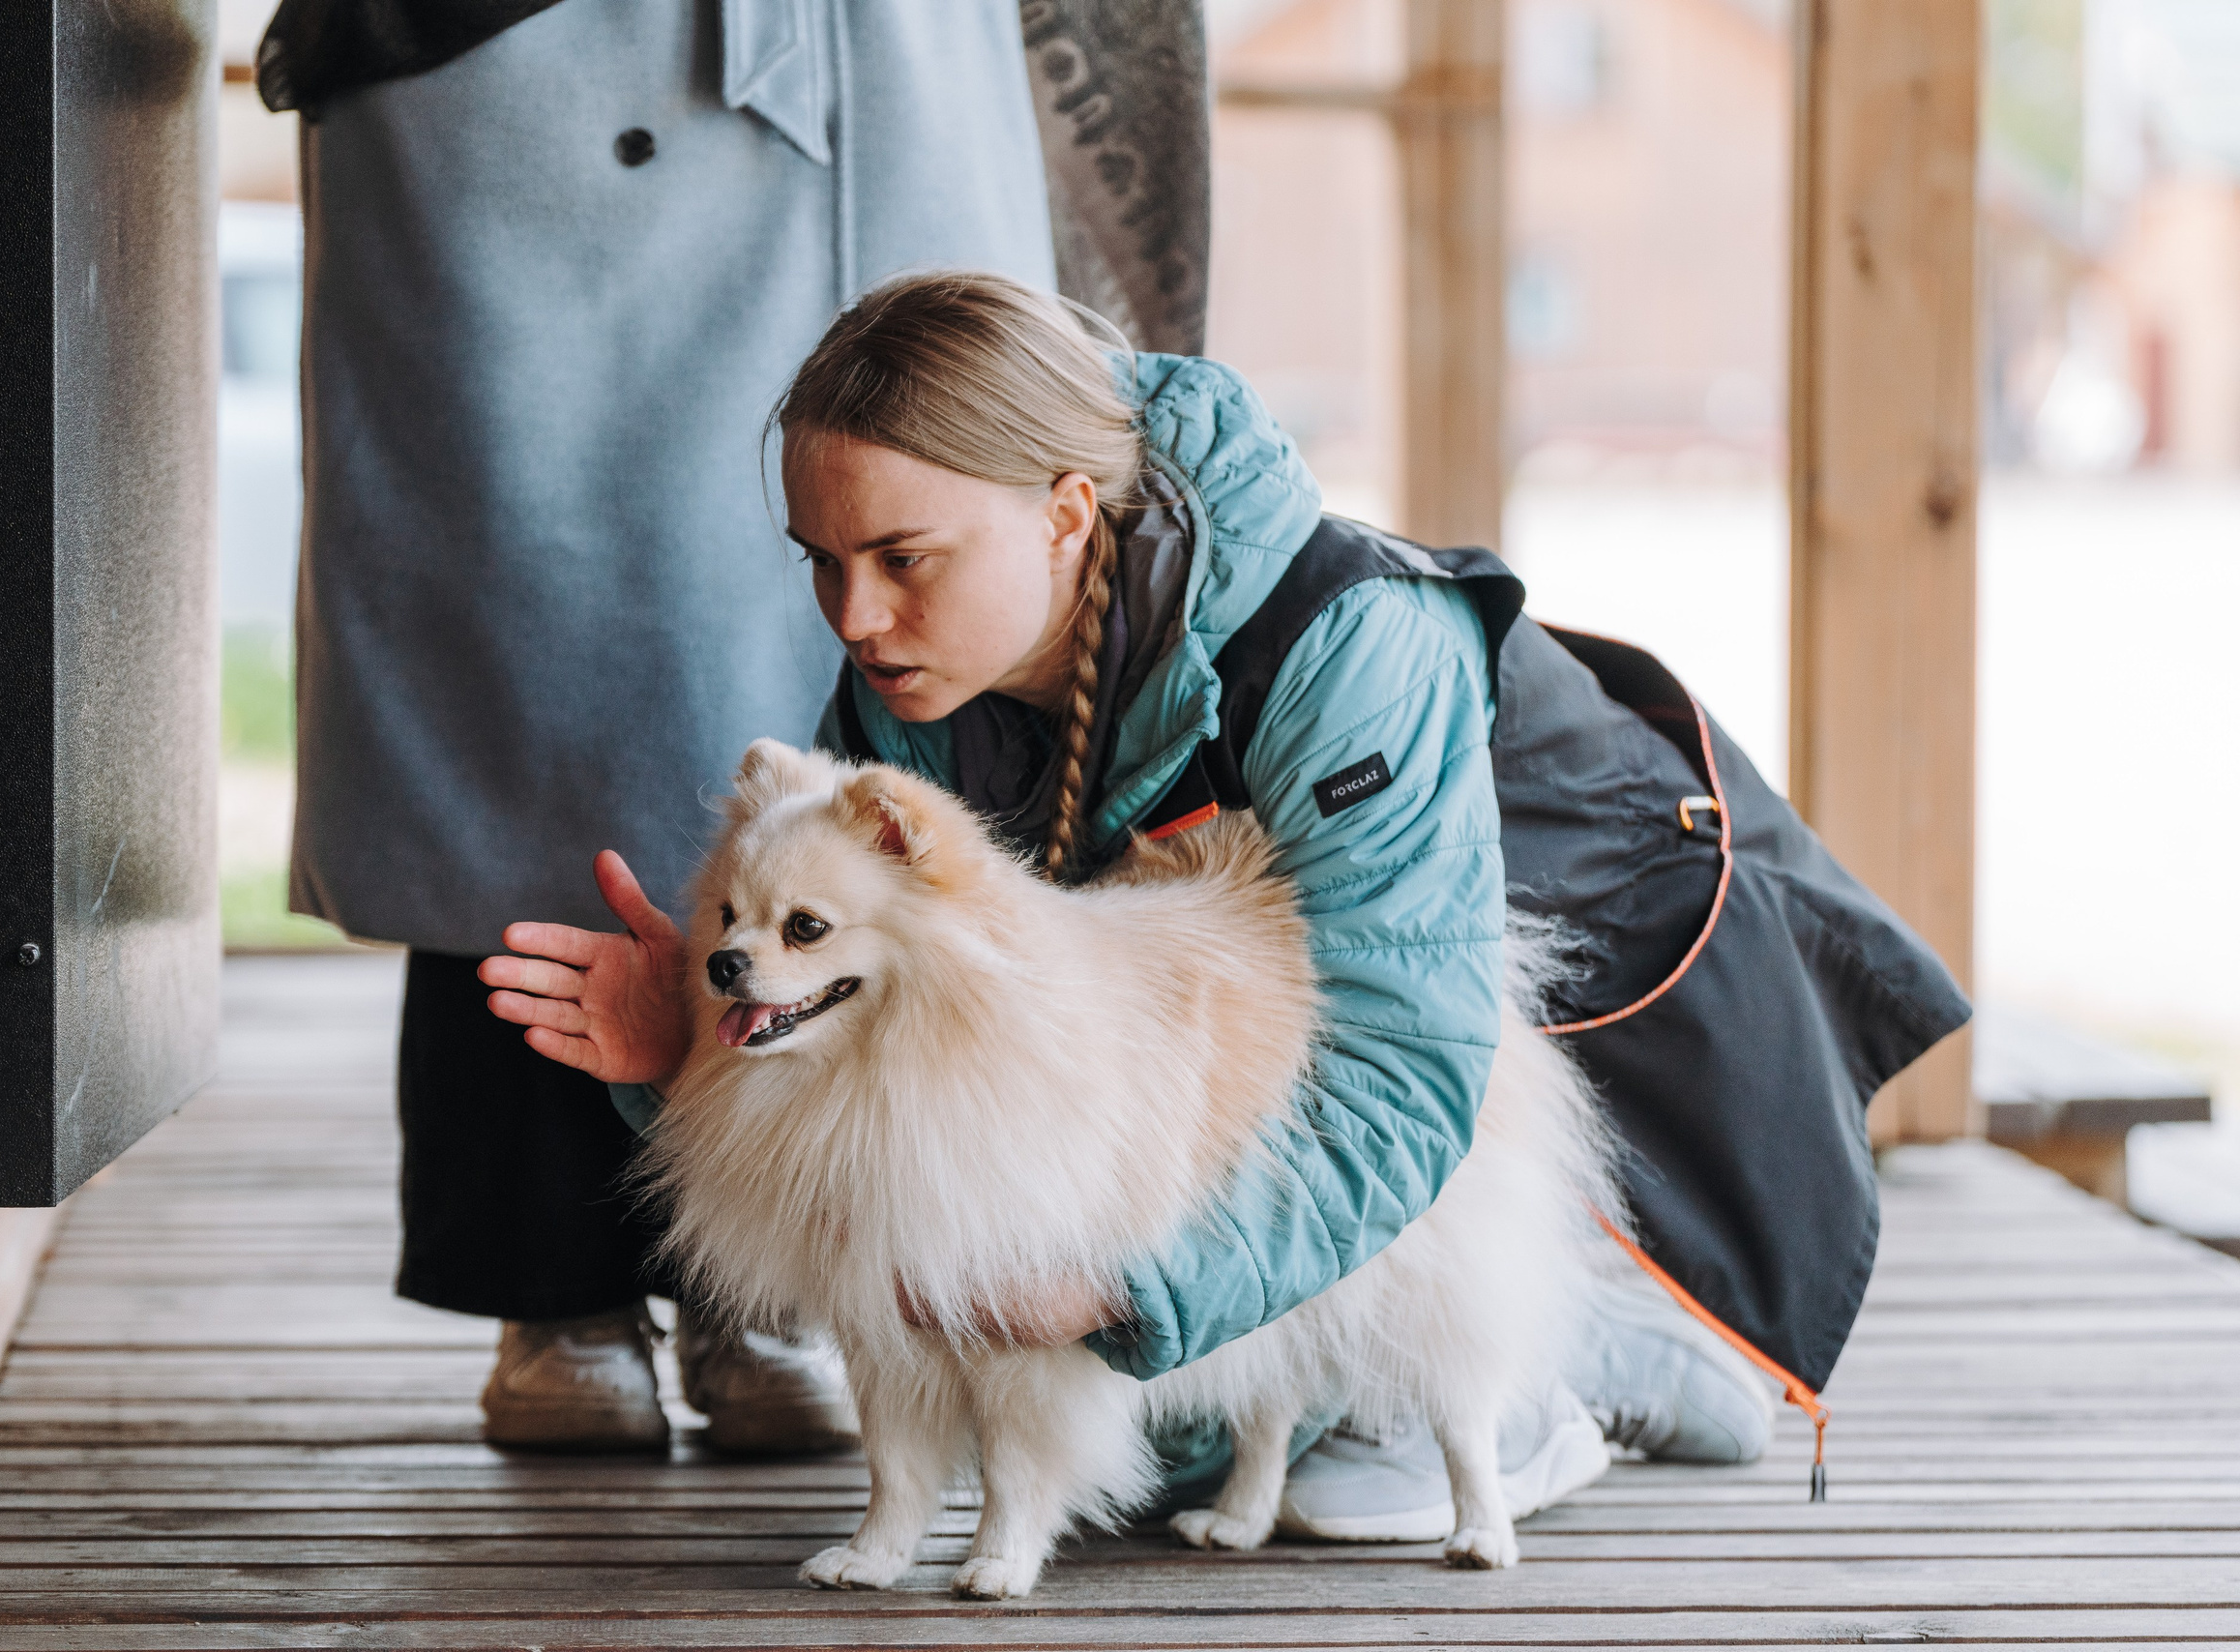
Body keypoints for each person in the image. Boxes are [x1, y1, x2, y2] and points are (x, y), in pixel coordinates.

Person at [482, 271, 1776, 1537]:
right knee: (1126, 1453)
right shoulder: (911, 688)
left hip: (1577, 1016)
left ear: (1060, 515)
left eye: (903, 557)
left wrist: (1125, 1289)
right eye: (823, 560)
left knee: (1300, 1450)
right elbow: (946, 1081)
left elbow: (1406, 1072)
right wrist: (701, 1063)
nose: (858, 617)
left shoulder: (1355, 652)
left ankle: (1576, 1350)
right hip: (1216, 1087)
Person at [271, 2, 1073, 1454]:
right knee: (531, 647)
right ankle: (552, 1283)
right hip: (534, 65)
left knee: (863, 608)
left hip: (877, 73)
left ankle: (768, 1267)